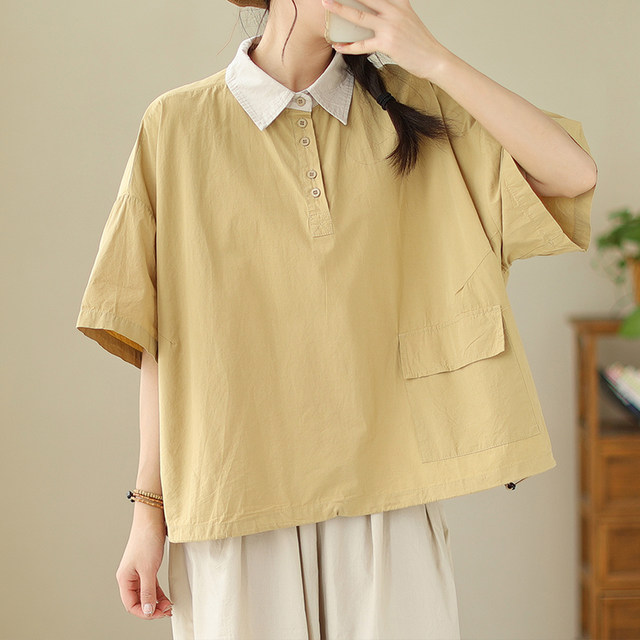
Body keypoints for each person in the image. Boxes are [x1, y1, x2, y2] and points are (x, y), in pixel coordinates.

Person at [75, 0, 597, 637]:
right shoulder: (177, 125)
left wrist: (433, 59)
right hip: (234, 493)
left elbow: (572, 174)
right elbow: (160, 342)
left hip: (389, 491)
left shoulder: (415, 106)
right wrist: (147, 512)